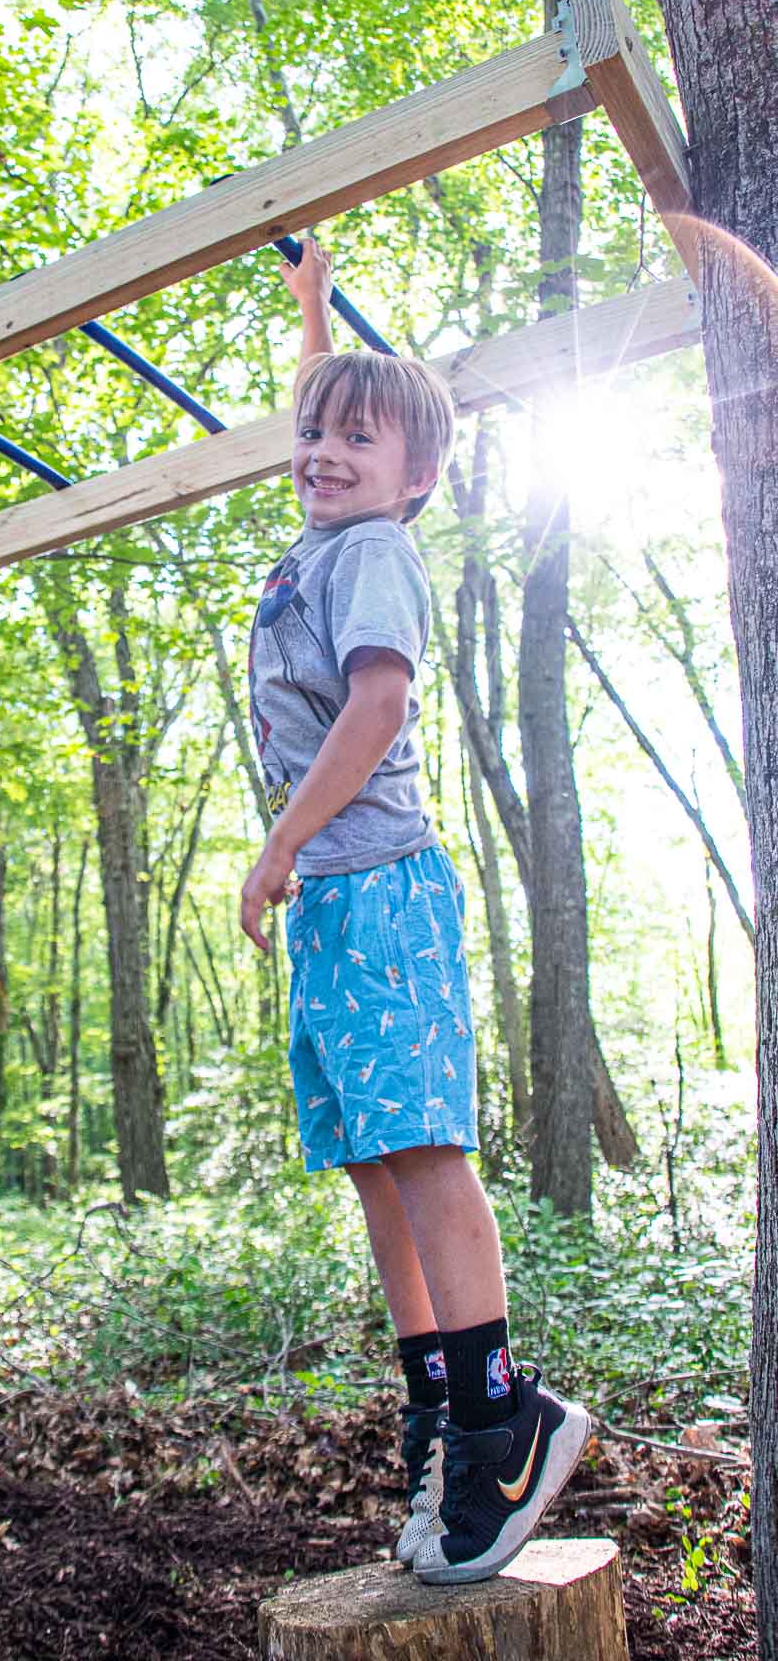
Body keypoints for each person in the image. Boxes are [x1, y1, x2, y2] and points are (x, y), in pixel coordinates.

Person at [240, 235, 589, 1585]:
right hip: (335, 905)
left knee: (426, 1153)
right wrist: (317, 319)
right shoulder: (326, 530)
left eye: (357, 442)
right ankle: (436, 1399)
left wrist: (277, 845)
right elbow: (326, 408)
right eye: (314, 434)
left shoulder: (375, 551)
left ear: (416, 479)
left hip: (374, 888)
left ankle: (504, 1415)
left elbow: (377, 706)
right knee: (373, 1160)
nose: (323, 452)